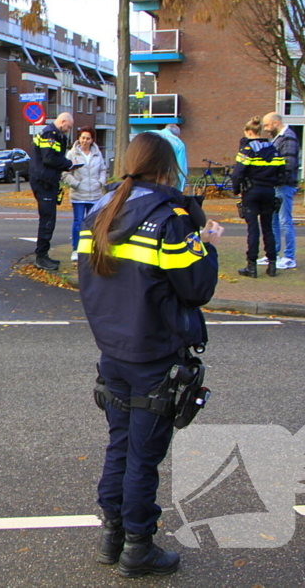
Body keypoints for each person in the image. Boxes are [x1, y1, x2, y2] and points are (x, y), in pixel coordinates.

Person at [76, 132, 223, 578]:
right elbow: (197, 289)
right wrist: (209, 244)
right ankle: (138, 548)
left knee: (120, 445)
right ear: (166, 169)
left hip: (114, 352)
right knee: (144, 454)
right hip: (156, 355)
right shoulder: (169, 218)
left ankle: (112, 535)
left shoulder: (101, 210)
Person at [232, 117, 286, 278]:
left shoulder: (247, 149)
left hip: (251, 192)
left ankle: (252, 266)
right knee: (268, 228)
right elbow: (282, 174)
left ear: (249, 132)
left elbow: (237, 173)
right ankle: (272, 265)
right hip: (269, 192)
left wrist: (237, 190)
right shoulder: (273, 149)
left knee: (253, 230)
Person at [29, 111, 74, 270]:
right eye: (68, 126)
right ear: (62, 122)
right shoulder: (50, 134)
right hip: (44, 182)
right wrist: (68, 163)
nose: (68, 130)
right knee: (47, 220)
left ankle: (43, 255)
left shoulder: (52, 133)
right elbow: (49, 158)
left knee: (48, 219)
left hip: (46, 181)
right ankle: (41, 257)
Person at [63, 126, 108, 261]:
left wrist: (100, 182)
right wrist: (76, 184)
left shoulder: (97, 153)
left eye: (88, 138)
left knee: (93, 223)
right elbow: (65, 173)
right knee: (78, 222)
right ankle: (76, 249)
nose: (85, 141)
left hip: (95, 195)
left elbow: (103, 169)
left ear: (92, 140)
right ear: (79, 138)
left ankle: (91, 248)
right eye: (83, 137)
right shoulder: (72, 154)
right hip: (78, 195)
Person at [261, 112, 299, 269]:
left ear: (276, 123)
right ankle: (273, 254)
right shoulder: (278, 138)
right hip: (276, 186)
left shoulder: (288, 137)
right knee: (274, 221)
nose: (265, 129)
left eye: (267, 125)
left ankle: (289, 257)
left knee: (285, 221)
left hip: (284, 185)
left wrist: (276, 179)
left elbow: (288, 164)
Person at [152, 123, 188, 192]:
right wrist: (179, 190)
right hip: (162, 177)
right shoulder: (178, 143)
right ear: (177, 135)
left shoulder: (148, 133)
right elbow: (182, 169)